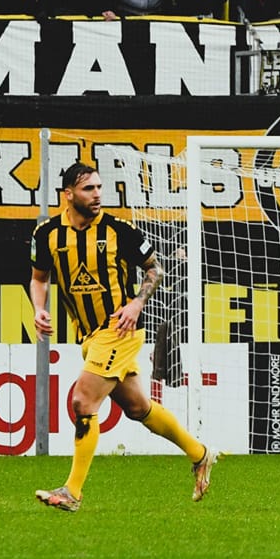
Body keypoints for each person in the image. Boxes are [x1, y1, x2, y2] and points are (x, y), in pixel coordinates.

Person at [31, 162, 217, 512]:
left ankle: (72, 491)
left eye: (100, 187)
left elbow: (155, 268)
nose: (98, 194)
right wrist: (38, 308)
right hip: (87, 334)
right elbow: (39, 278)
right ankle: (200, 454)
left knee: (82, 402)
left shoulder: (120, 230)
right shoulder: (47, 234)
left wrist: (136, 303)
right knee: (137, 407)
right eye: (89, 189)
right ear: (68, 194)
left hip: (120, 329)